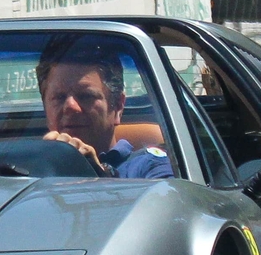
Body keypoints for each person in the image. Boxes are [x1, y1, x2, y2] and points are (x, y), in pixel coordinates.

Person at [35, 35, 174, 178]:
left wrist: (99, 174)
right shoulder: (27, 169)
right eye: (59, 97)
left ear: (118, 106)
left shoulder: (149, 167)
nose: (71, 106)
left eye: (86, 96)